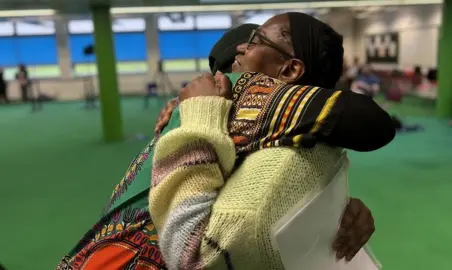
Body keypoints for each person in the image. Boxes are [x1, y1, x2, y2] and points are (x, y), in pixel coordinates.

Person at [57, 18, 392, 269]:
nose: (240, 50)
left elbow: (371, 122)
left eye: (255, 41)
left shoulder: (248, 88)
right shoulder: (253, 104)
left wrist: (333, 208)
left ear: (290, 70)